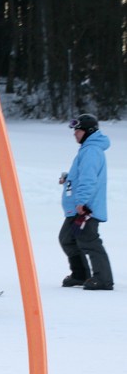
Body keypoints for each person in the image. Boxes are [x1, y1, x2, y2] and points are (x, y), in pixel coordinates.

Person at [59, 114, 114, 290]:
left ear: (88, 131)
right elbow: (81, 175)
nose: (75, 134)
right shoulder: (87, 150)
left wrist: (82, 201)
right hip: (78, 207)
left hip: (86, 208)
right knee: (67, 238)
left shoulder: (91, 151)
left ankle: (103, 279)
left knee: (88, 240)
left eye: (78, 130)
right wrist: (68, 178)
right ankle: (80, 274)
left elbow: (89, 179)